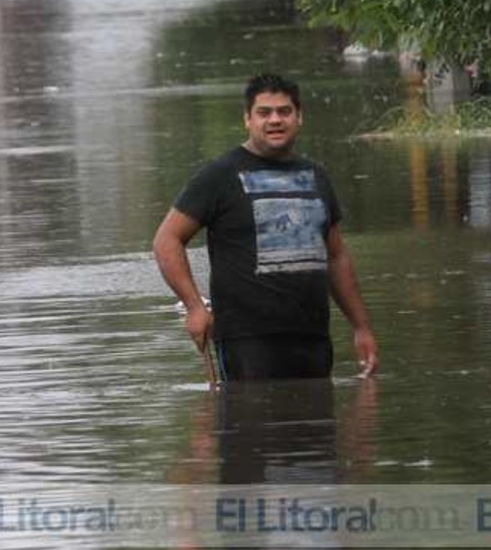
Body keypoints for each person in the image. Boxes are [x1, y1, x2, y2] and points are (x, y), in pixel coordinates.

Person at [152, 73, 379, 382]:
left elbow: (337, 257)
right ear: (248, 119)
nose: (275, 120)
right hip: (246, 341)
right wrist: (194, 306)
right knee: (252, 426)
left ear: (299, 118)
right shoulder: (220, 176)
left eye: (284, 111)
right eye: (264, 112)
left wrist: (361, 326)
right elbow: (167, 239)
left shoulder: (316, 176)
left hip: (312, 337)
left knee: (318, 427)